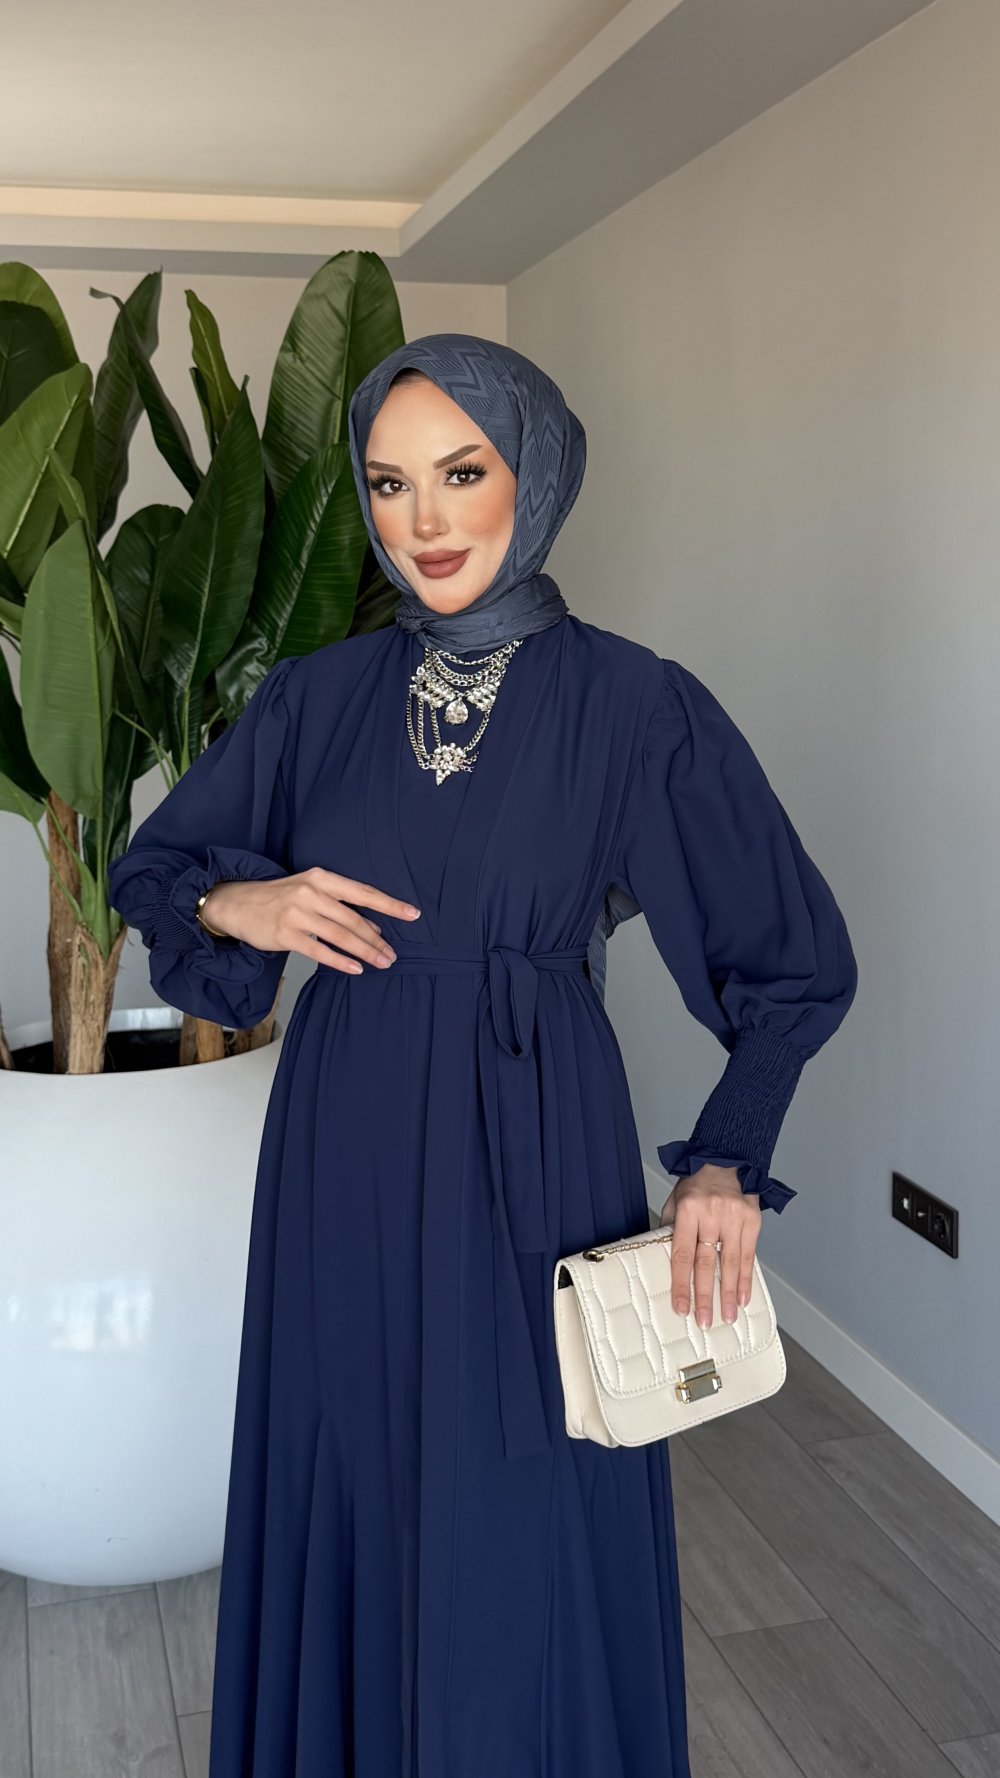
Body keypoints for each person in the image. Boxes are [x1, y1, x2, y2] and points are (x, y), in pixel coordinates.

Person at [107, 332, 858, 1778]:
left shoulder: (637, 705)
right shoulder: (315, 699)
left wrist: (727, 1156)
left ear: (537, 473)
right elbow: (159, 872)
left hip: (538, 1135)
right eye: (389, 484)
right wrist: (239, 902)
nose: (424, 521)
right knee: (351, 1452)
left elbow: (788, 959)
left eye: (462, 472)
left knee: (531, 1481)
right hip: (344, 1130)